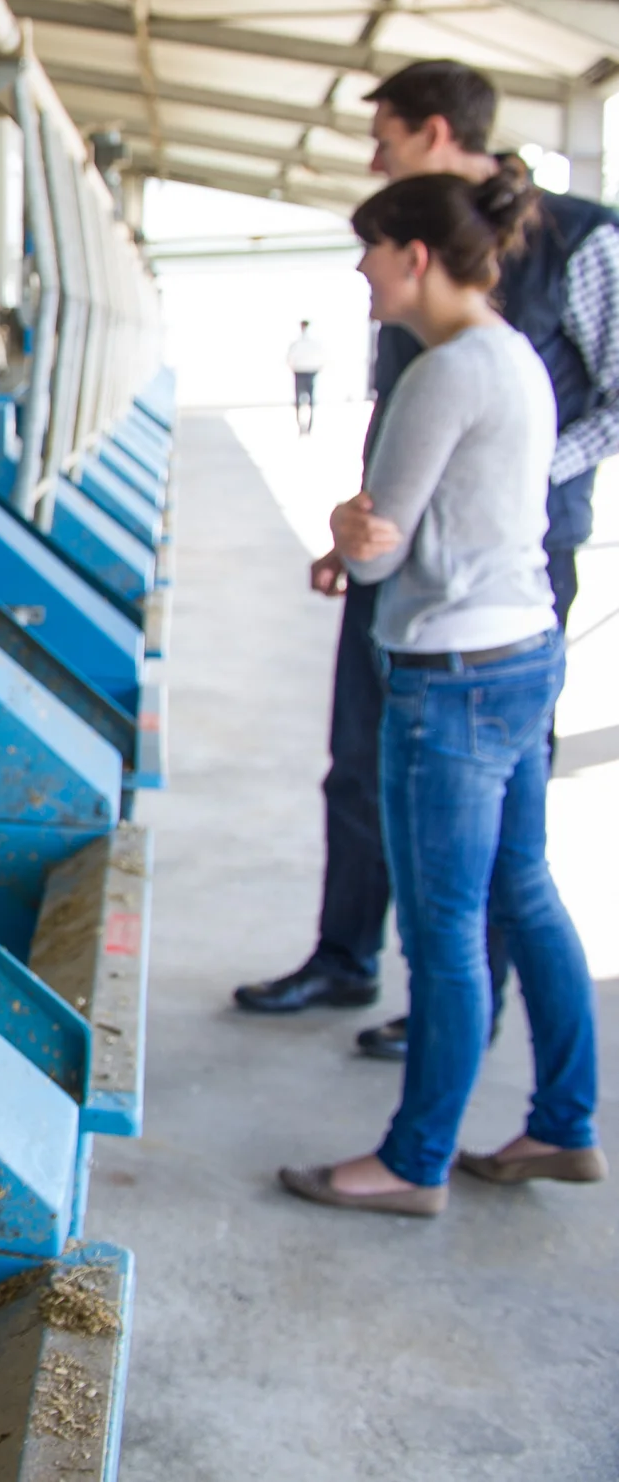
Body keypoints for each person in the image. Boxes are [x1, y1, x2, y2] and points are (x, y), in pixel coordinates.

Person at [233, 60, 619, 1035]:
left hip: (507, 565)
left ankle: (460, 997)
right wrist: (364, 522)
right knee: (358, 760)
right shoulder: (420, 266)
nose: (375, 160)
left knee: (481, 801)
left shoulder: (575, 239)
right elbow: (404, 425)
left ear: (436, 132)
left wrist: (511, 475)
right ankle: (346, 955)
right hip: (400, 543)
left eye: (385, 139)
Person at [279, 170, 601, 1215]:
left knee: (443, 931)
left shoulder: (441, 371)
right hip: (521, 650)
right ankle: (563, 1122)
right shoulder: (511, 354)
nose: (362, 272)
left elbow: (380, 547)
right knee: (524, 892)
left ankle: (413, 1161)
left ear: (415, 256)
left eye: (370, 250)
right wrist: (356, 541)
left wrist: (345, 531)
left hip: (450, 676)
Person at [287, 320, 327, 434]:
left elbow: (290, 357)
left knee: (302, 402)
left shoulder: (300, 342)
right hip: (306, 371)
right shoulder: (304, 341)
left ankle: (305, 426)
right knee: (307, 402)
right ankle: (305, 426)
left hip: (303, 371)